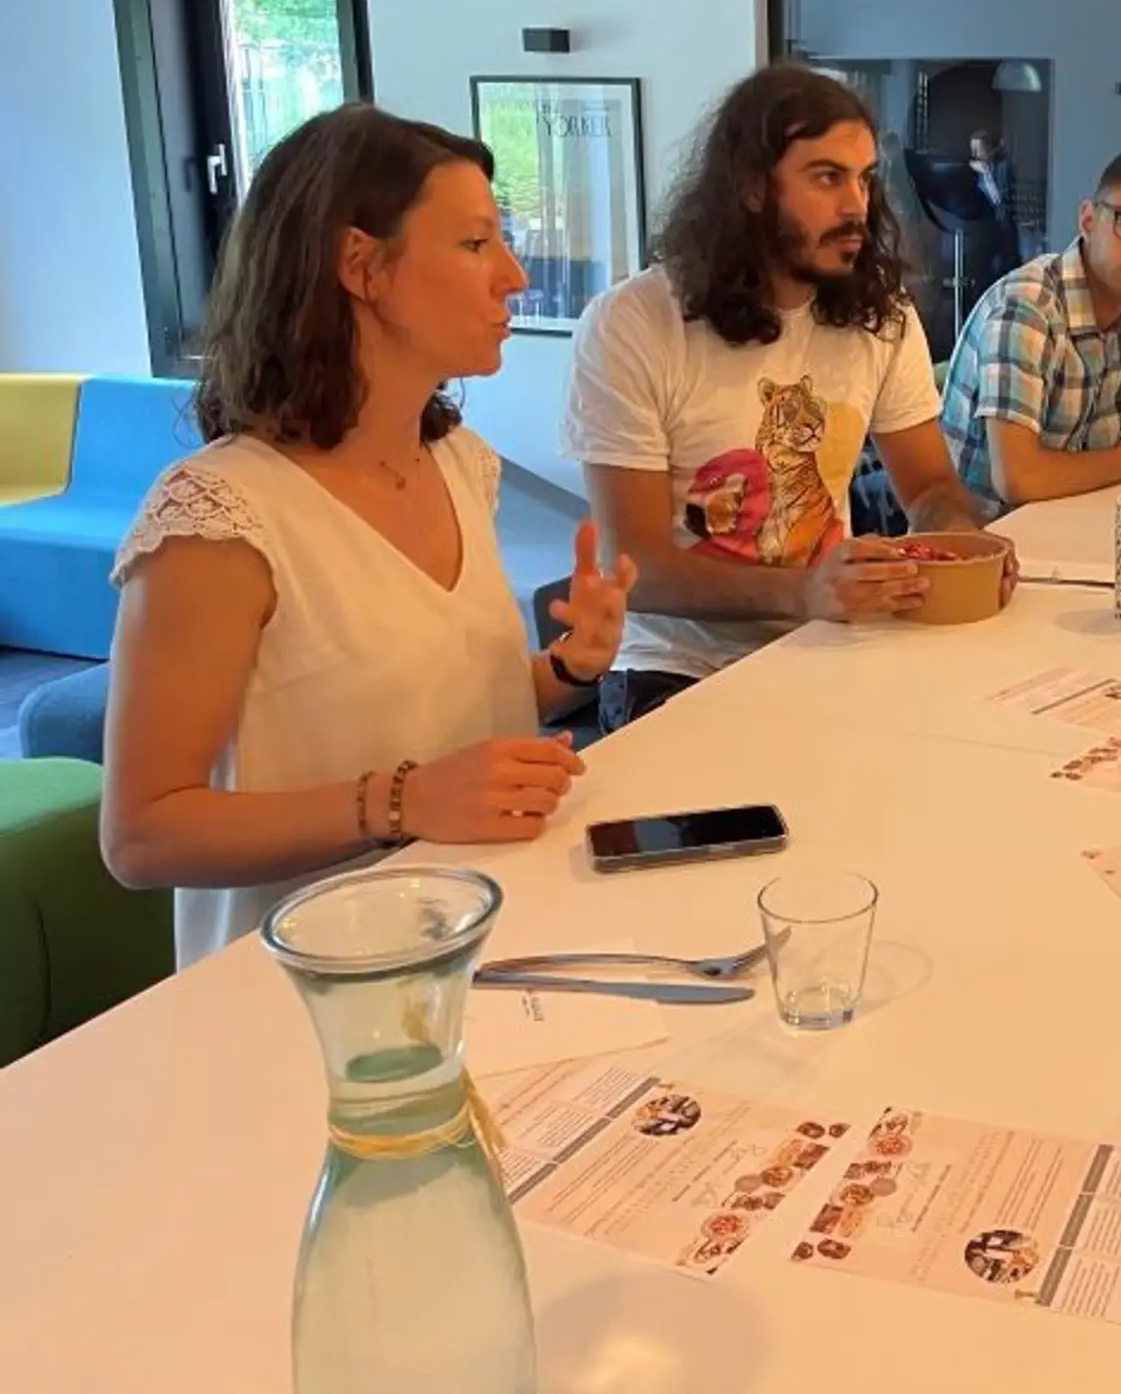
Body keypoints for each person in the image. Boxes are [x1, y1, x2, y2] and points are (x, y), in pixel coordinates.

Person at [102, 105, 635, 968]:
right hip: (308, 995)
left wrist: (564, 668)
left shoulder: (462, 464)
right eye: (474, 245)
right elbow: (142, 836)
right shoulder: (219, 515)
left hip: (483, 943)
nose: (512, 276)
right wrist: (402, 803)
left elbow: (420, 714)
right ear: (361, 265)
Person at [562, 65, 1005, 734]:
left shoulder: (881, 317)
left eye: (864, 178)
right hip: (676, 672)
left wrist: (967, 546)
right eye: (826, 178)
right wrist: (802, 591)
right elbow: (637, 568)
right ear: (749, 187)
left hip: (828, 646)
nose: (856, 205)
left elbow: (931, 487)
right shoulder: (635, 324)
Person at [939, 143, 1121, 511]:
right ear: (1088, 220)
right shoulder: (1029, 308)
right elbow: (1017, 479)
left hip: (1064, 527)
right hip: (982, 544)